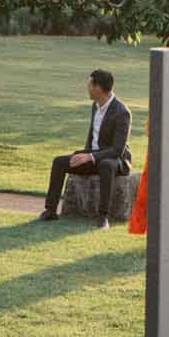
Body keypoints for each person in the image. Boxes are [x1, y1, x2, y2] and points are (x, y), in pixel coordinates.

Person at [39, 69, 130, 226]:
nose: (87, 87)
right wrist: (84, 154)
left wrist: (91, 157)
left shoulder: (122, 112)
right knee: (59, 162)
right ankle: (50, 210)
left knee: (106, 164)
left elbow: (117, 150)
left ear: (98, 88)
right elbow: (93, 138)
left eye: (90, 84)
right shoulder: (96, 105)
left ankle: (103, 217)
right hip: (93, 155)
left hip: (115, 160)